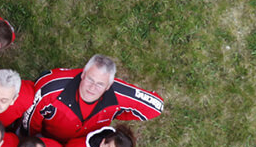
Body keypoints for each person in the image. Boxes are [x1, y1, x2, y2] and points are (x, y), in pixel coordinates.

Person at [26, 55, 165, 142]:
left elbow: (155, 106)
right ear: (83, 74)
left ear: (109, 85)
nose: (92, 88)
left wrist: (117, 113)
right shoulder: (52, 89)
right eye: (90, 80)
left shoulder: (117, 93)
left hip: (83, 144)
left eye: (100, 84)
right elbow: (30, 122)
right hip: (50, 139)